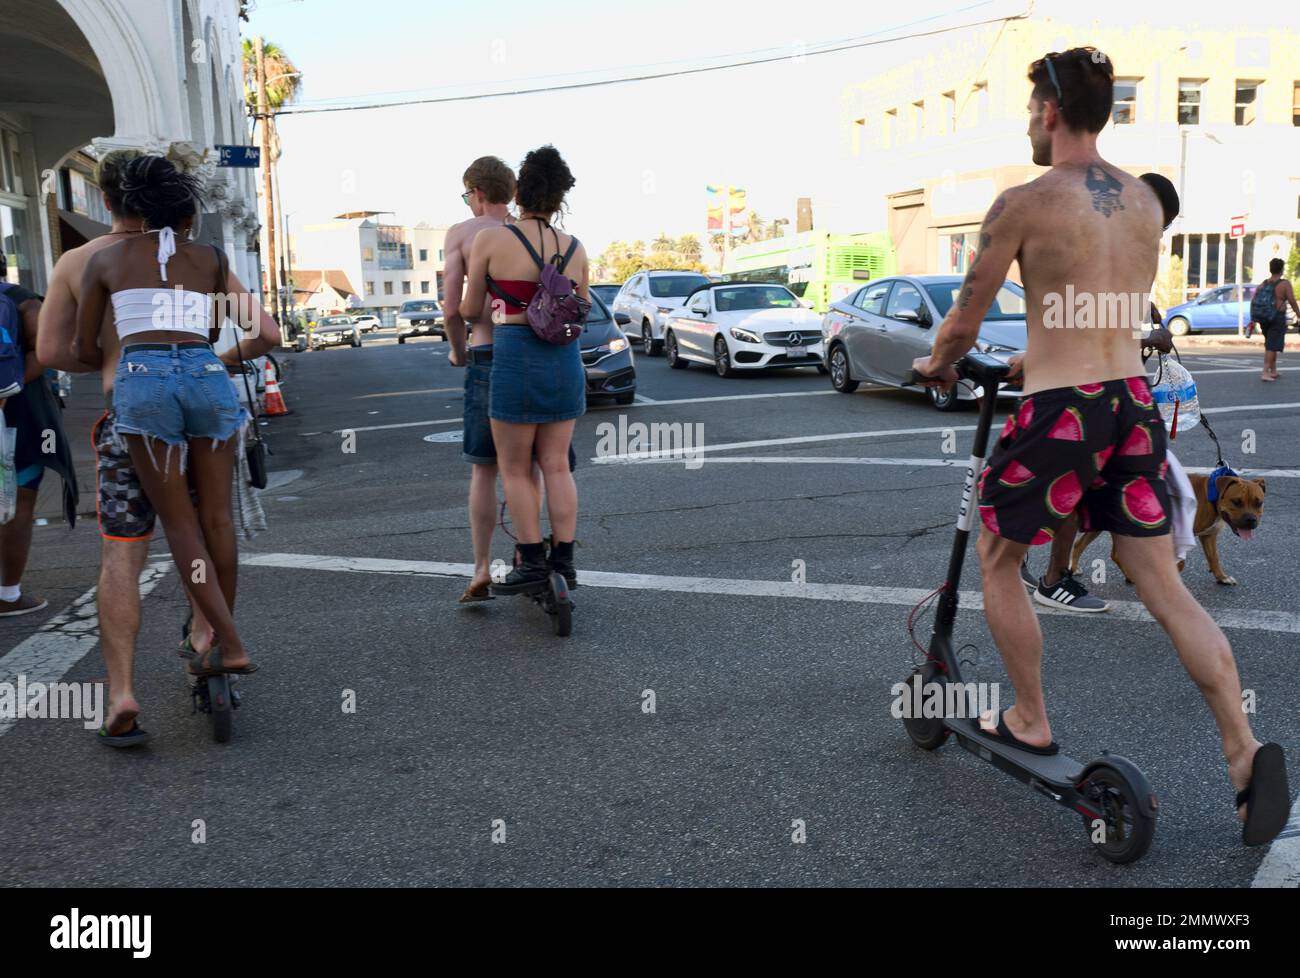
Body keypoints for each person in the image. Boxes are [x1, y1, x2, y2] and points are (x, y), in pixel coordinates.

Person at [912, 48, 1288, 845]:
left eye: (1027, 110)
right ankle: (1243, 753)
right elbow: (1101, 310)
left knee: (999, 559)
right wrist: (1034, 353)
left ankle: (1030, 718)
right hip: (1131, 408)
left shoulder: (1023, 201)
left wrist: (937, 364)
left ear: (1050, 110)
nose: (1027, 124)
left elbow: (964, 321)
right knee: (1161, 583)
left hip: (1064, 416)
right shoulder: (1147, 204)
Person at [68, 154, 278, 745]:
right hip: (208, 380)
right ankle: (218, 638)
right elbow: (221, 333)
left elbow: (84, 347)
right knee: (217, 519)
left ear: (129, 209)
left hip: (142, 382)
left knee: (181, 527)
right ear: (184, 212)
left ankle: (228, 644)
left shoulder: (106, 260)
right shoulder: (211, 258)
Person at [1017, 171, 1178, 609]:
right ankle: (1055, 577)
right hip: (1081, 389)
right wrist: (1150, 337)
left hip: (1084, 387)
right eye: (1161, 224)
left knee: (1067, 485)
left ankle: (1035, 566)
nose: (1157, 233)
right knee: (1075, 485)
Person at [460, 145, 586, 593]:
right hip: (563, 358)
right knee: (556, 465)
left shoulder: (490, 240)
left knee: (513, 468)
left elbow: (471, 307)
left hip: (513, 352)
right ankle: (565, 562)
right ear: (559, 197)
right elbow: (580, 308)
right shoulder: (575, 247)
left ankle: (531, 561)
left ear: (519, 193)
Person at [443, 156, 517, 602]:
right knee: (530, 466)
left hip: (486, 352)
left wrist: (458, 350)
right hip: (532, 352)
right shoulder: (529, 230)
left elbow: (453, 309)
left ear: (477, 192)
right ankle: (531, 554)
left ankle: (482, 567)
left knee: (484, 468)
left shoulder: (463, 234)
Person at [1251, 258, 1298, 382]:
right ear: (1282, 269)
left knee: (1271, 343)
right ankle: (1265, 372)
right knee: (1272, 346)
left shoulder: (1264, 283)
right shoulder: (1284, 284)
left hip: (1264, 318)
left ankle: (1273, 370)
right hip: (1277, 317)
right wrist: (1298, 314)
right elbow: (1292, 301)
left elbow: (1255, 300)